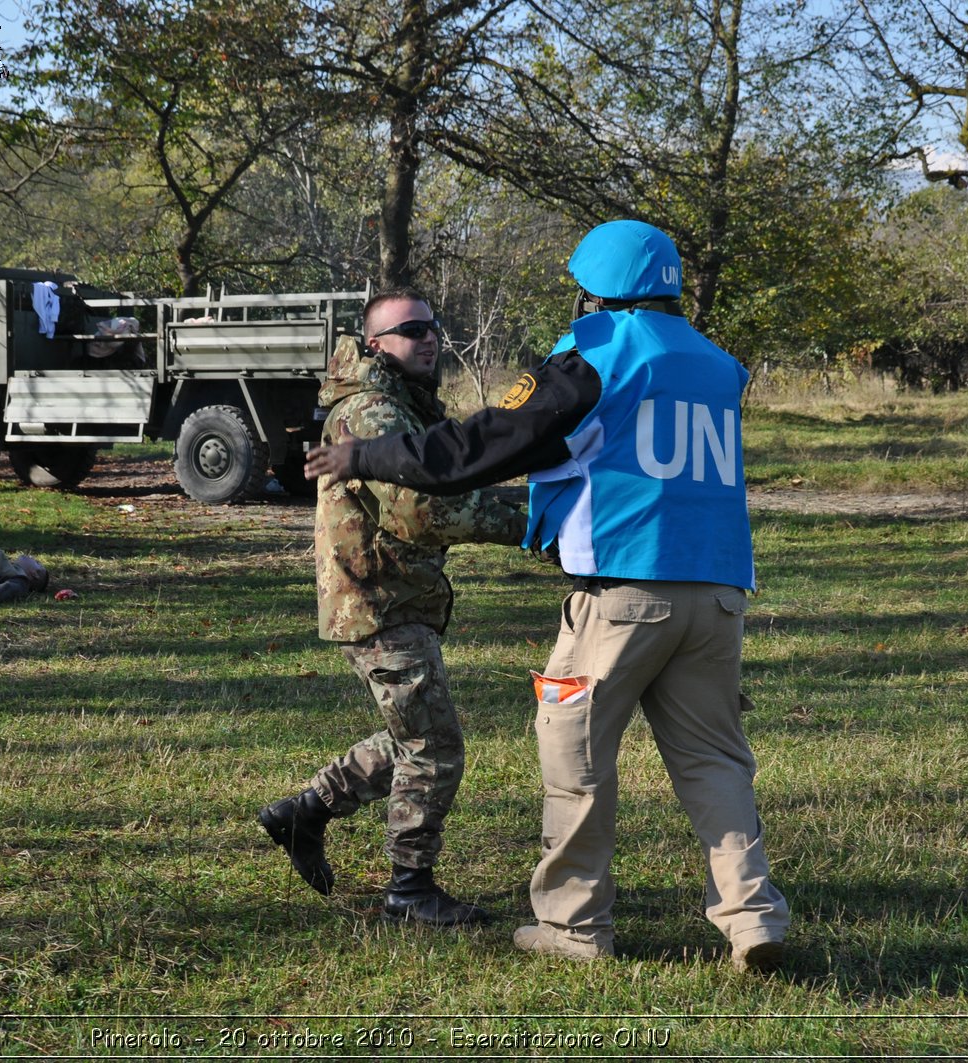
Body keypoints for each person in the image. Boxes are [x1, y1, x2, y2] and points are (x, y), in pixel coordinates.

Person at [304, 221, 789, 971]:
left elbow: (480, 446)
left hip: (623, 593)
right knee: (716, 761)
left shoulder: (595, 356)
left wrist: (362, 453)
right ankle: (753, 916)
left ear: (596, 288)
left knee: (576, 758)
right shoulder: (718, 365)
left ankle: (572, 926)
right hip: (719, 593)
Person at [259, 288, 527, 927]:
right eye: (410, 331)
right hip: (378, 596)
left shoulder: (403, 404)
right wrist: (532, 525)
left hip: (391, 593)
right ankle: (410, 890)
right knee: (434, 745)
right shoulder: (374, 412)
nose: (428, 338)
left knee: (416, 733)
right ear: (376, 345)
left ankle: (305, 811)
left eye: (432, 328)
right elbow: (421, 509)